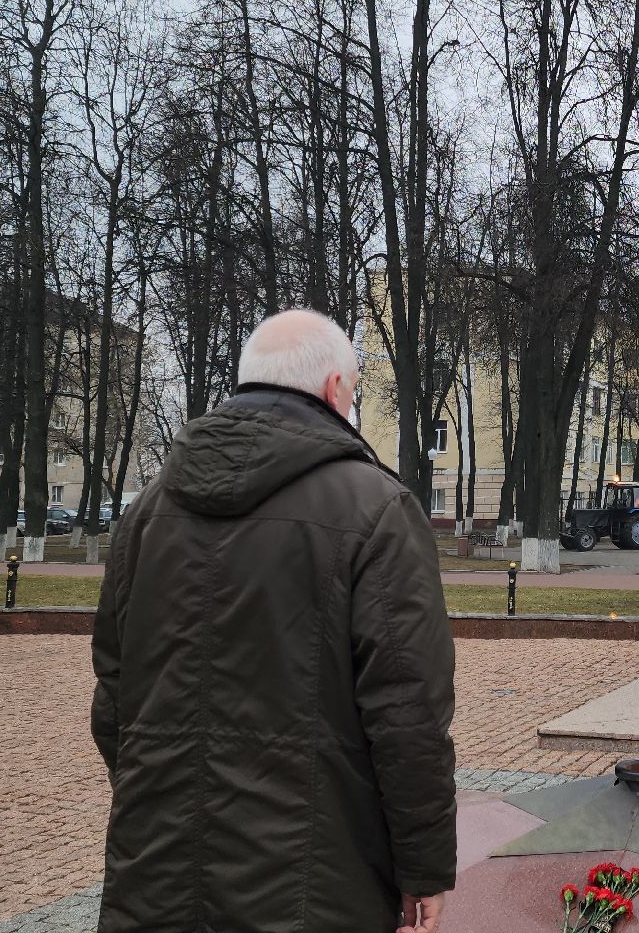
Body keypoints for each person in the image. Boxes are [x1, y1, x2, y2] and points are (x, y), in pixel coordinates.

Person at [92, 310, 456, 933]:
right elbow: (407, 713)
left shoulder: (148, 510)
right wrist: (423, 868)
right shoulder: (376, 507)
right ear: (333, 389)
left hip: (156, 870)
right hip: (313, 883)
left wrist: (160, 798)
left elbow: (114, 695)